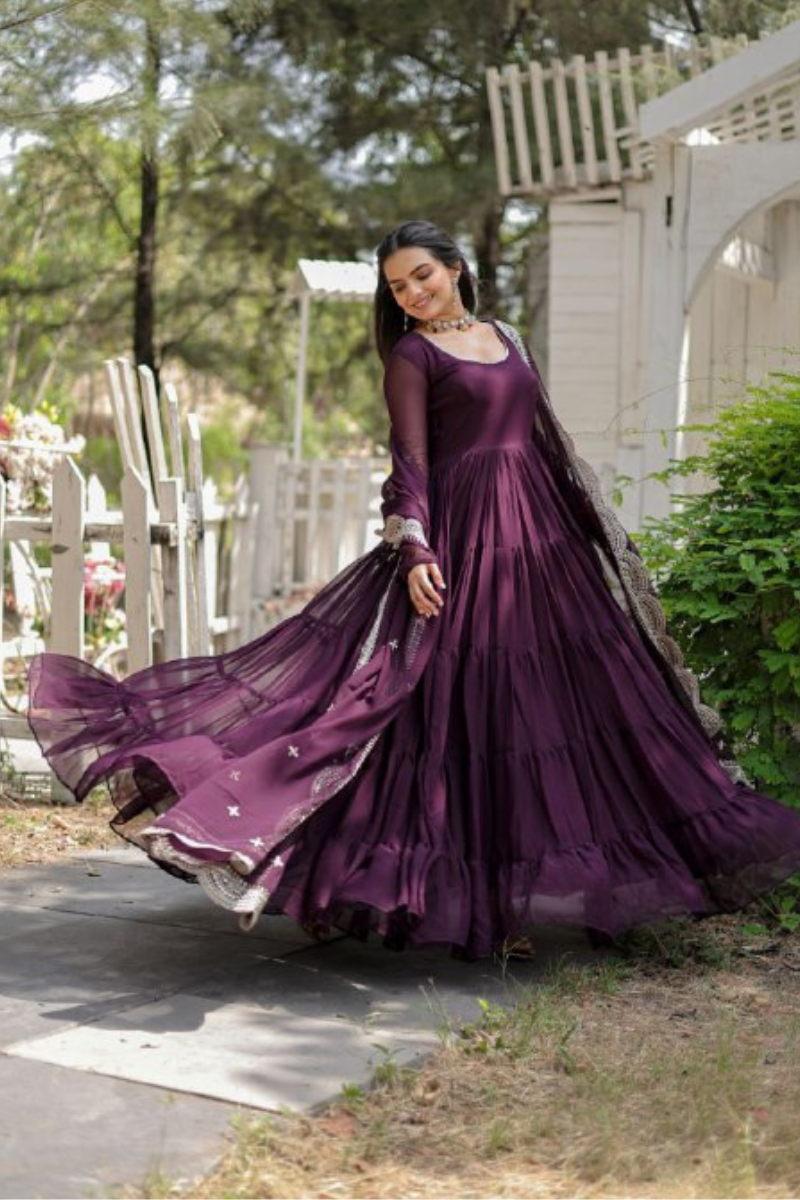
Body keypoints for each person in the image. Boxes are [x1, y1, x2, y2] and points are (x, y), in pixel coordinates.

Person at [27, 219, 800, 962]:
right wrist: (418, 548)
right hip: (461, 545)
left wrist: (584, 537)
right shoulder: (412, 359)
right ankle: (389, 884)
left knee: (548, 713)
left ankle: (536, 891)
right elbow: (411, 461)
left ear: (456, 267)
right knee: (434, 714)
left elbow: (541, 443)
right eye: (397, 286)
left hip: (538, 550)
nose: (412, 293)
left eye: (422, 276)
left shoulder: (508, 341)